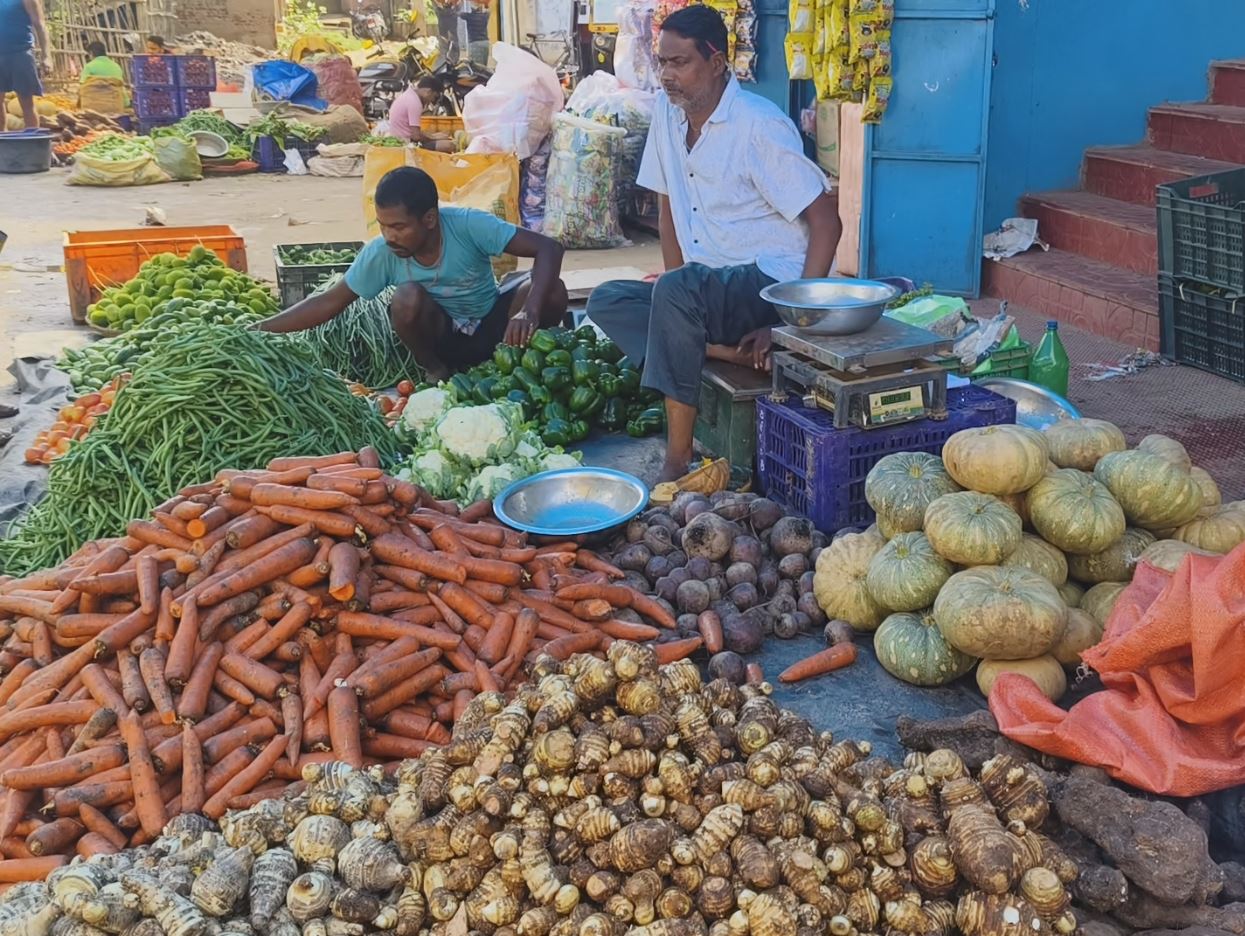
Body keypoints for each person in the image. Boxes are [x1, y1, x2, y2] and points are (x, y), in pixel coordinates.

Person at [586, 5, 841, 482]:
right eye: (662, 62)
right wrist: (672, 283)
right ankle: (725, 352)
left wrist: (796, 321)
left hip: (765, 282)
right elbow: (667, 206)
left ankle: (677, 461)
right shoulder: (667, 112)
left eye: (679, 62)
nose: (666, 75)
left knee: (677, 293)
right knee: (608, 300)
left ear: (718, 60)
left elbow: (827, 221)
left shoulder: (757, 125)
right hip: (709, 288)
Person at [260, 167, 569, 382]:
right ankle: (436, 371)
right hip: (443, 338)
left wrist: (528, 312)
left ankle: (517, 365)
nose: (389, 236)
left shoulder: (467, 225)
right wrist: (260, 328)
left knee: (551, 288)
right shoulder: (381, 252)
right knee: (405, 296)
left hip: (494, 328)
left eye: (399, 227)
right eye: (383, 225)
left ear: (430, 219)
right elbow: (328, 302)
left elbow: (549, 249)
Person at [0, 0, 51, 129]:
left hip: (21, 53)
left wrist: (47, 56)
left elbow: (40, 24)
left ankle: (32, 143)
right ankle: (3, 143)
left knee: (26, 103)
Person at [388, 75, 453, 151]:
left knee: (439, 136)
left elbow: (414, 130)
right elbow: (416, 136)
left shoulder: (409, 95)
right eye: (434, 97)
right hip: (406, 143)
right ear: (429, 92)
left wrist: (432, 135)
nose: (431, 101)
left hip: (401, 138)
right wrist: (433, 138)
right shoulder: (415, 102)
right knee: (449, 145)